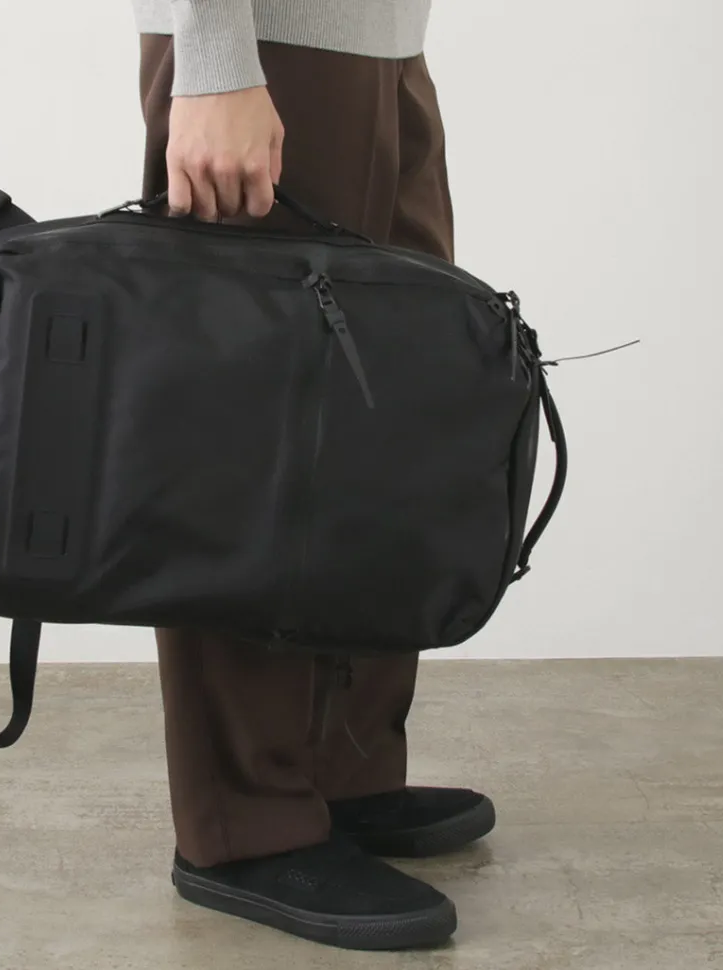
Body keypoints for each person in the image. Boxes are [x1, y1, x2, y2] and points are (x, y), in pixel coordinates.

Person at [132, 0, 496, 951]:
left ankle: (340, 771)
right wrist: (215, 56)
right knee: (254, 436)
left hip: (382, 42)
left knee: (385, 422)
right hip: (263, 47)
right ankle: (243, 822)